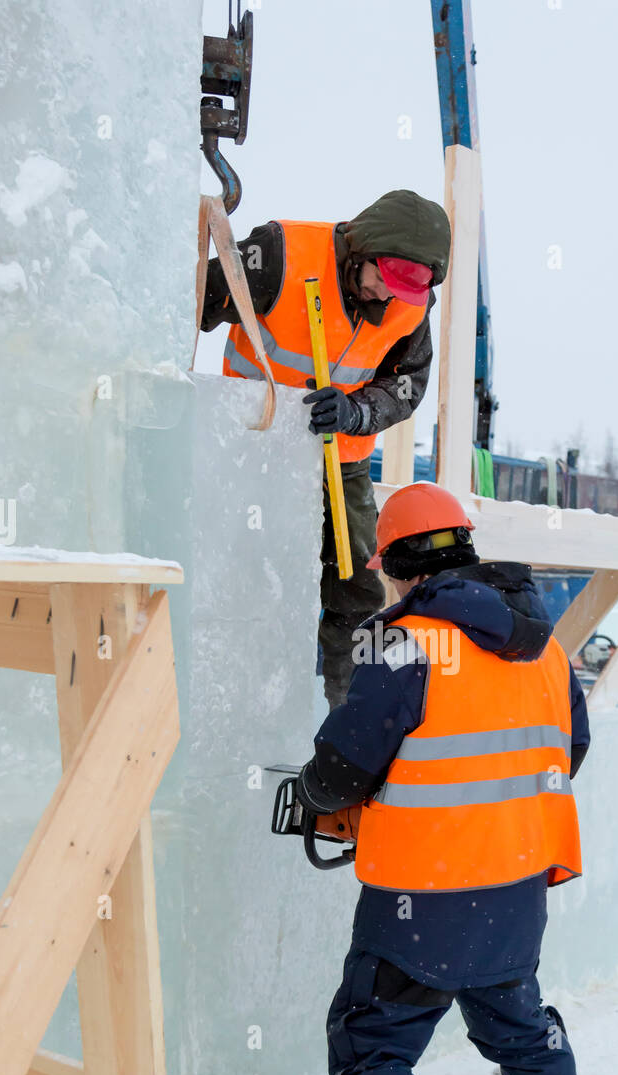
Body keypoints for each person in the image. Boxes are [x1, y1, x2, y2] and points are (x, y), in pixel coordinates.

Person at [294, 481, 591, 1075]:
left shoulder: (404, 647)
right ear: (463, 549)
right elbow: (568, 749)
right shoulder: (545, 645)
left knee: (373, 1046)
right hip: (515, 886)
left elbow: (341, 768)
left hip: (416, 899)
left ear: (392, 567)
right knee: (519, 1023)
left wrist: (321, 798)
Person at [200, 189, 451, 708]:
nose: (386, 296)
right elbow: (189, 298)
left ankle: (346, 716)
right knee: (249, 576)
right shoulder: (282, 254)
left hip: (342, 464)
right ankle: (236, 704)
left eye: (402, 290)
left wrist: (356, 412)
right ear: (365, 249)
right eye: (382, 279)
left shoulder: (410, 306)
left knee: (357, 590)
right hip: (255, 453)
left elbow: (407, 386)